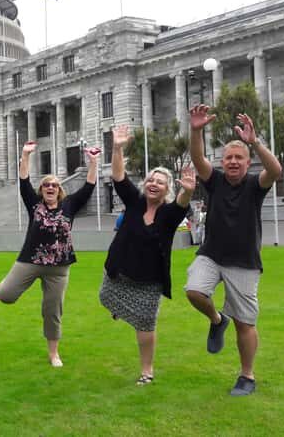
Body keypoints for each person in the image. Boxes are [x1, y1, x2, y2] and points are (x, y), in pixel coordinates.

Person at [185, 105, 282, 396]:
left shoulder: (255, 184)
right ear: (222, 162)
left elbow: (275, 171)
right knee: (194, 291)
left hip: (244, 261)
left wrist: (254, 142)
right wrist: (196, 129)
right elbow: (197, 158)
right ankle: (217, 320)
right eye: (228, 157)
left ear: (248, 161)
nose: (233, 162)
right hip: (211, 255)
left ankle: (247, 376)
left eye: (239, 157)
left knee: (245, 323)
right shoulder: (214, 182)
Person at [98, 125, 196, 385]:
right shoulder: (135, 202)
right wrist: (117, 147)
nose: (154, 184)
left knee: (145, 326)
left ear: (167, 190)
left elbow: (182, 204)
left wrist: (187, 190)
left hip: (149, 280)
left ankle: (147, 371)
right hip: (119, 271)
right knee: (104, 297)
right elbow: (119, 177)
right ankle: (121, 309)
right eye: (151, 180)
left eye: (160, 182)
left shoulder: (169, 214)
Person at [0, 140, 98, 367]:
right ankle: (0, 288)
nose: (50, 187)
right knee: (7, 297)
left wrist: (93, 162)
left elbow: (89, 187)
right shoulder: (34, 205)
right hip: (31, 260)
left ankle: (53, 354)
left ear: (59, 191)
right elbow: (23, 182)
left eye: (55, 185)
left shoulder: (69, 206)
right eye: (47, 185)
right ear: (42, 190)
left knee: (52, 311)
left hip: (59, 268)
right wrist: (25, 154)